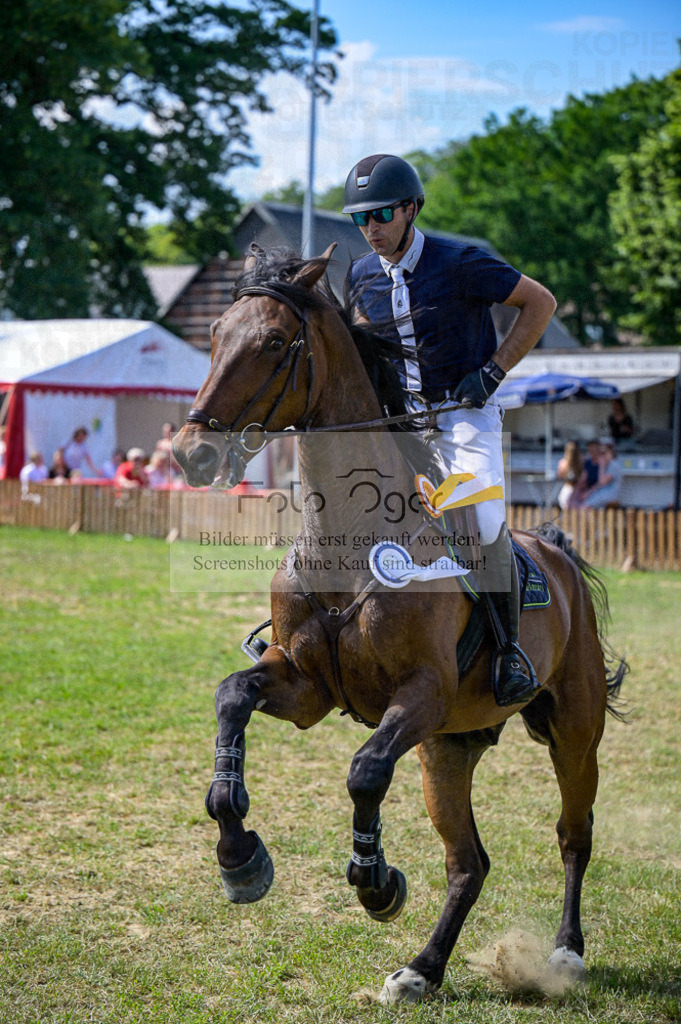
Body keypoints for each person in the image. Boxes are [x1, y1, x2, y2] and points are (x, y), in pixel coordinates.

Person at [343, 153, 557, 707]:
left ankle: (511, 650)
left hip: (464, 417)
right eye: (360, 218)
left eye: (383, 214)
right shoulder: (362, 274)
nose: (371, 229)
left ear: (412, 208)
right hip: (403, 423)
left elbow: (540, 303)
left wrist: (492, 372)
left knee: (483, 520)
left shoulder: (461, 262)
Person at [580, 442, 622, 509]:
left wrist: (601, 465)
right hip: (602, 492)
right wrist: (588, 493)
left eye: (603, 453)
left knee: (584, 507)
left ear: (610, 452)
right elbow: (598, 484)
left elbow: (602, 482)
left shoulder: (613, 464)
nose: (601, 456)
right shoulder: (607, 464)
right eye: (600, 453)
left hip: (610, 494)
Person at [556, 440, 583, 510]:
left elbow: (559, 475)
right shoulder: (581, 462)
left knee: (564, 501)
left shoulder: (563, 463)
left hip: (570, 487)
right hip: (578, 488)